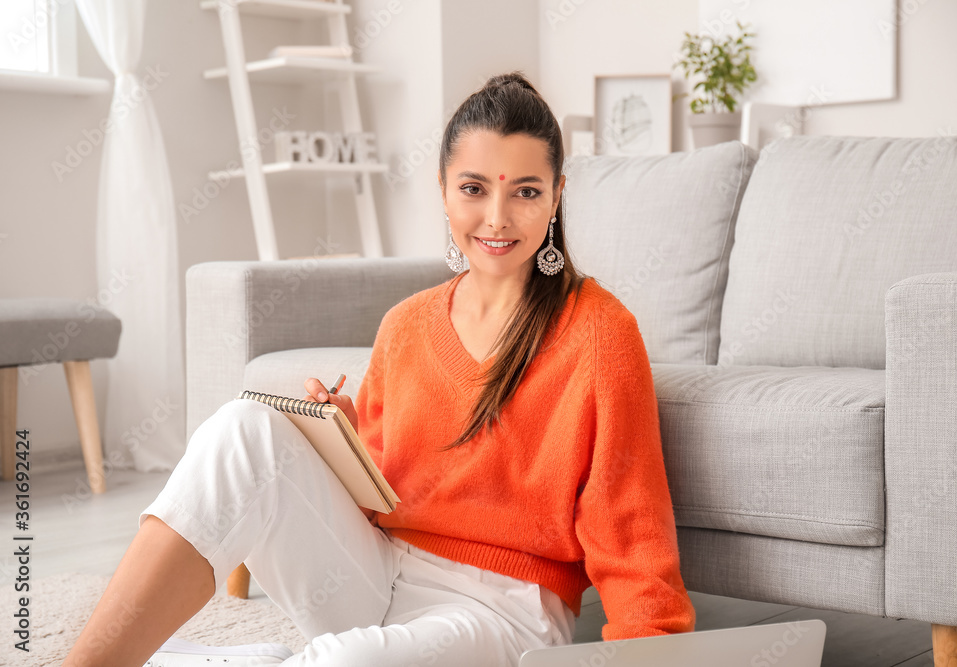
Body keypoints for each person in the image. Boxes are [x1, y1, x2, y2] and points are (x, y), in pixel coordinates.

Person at [62, 71, 695, 667]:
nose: (497, 218)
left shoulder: (601, 333)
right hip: (378, 574)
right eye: (474, 189)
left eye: (525, 192)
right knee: (241, 428)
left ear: (557, 195)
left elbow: (632, 534)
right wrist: (339, 448)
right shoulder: (405, 324)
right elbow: (381, 496)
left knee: (348, 660)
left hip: (504, 614)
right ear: (443, 190)